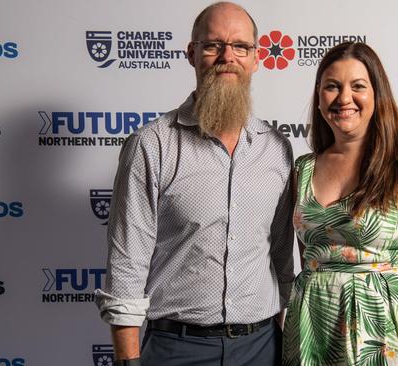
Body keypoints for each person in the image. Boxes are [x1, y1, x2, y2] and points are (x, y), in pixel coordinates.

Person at [94, 2, 295, 366]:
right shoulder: (152, 145)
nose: (226, 57)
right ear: (192, 53)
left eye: (240, 47)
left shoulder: (277, 149)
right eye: (213, 45)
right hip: (176, 348)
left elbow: (281, 259)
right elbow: (127, 263)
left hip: (262, 347)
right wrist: (127, 360)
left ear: (255, 57)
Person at [282, 42, 398, 366]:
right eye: (332, 86)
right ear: (319, 97)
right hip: (311, 328)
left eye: (358, 86)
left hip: (383, 333)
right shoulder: (303, 169)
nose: (344, 98)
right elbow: (308, 261)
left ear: (377, 95)